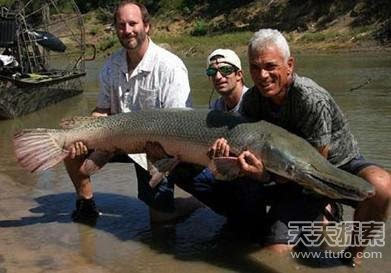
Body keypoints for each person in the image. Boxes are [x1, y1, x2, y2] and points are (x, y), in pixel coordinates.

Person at [214, 28, 391, 266]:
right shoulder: (252, 101)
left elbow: (315, 171)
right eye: (255, 67)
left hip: (331, 166)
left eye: (270, 66)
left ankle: (352, 251)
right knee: (275, 254)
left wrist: (266, 176)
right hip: (287, 171)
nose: (263, 75)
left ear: (290, 65)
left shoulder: (310, 98)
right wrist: (243, 166)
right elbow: (250, 152)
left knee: (381, 186)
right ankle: (320, 213)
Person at [64, 0, 193, 223]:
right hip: (116, 140)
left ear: (147, 26)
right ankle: (86, 203)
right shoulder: (110, 66)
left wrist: (159, 157)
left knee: (160, 219)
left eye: (133, 23)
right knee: (69, 142)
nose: (127, 30)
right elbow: (102, 111)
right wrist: (84, 133)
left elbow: (178, 126)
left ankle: (195, 202)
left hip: (156, 149)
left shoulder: (170, 67)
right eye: (121, 25)